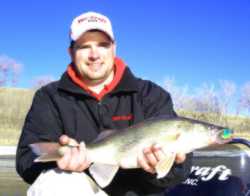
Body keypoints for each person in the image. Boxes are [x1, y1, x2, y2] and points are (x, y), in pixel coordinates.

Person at [16, 11, 192, 196]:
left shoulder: (151, 94)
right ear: (71, 52)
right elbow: (27, 159)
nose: (94, 54)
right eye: (84, 46)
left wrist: (163, 168)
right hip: (80, 189)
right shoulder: (49, 97)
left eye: (103, 45)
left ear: (114, 48)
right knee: (56, 182)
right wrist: (61, 162)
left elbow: (181, 169)